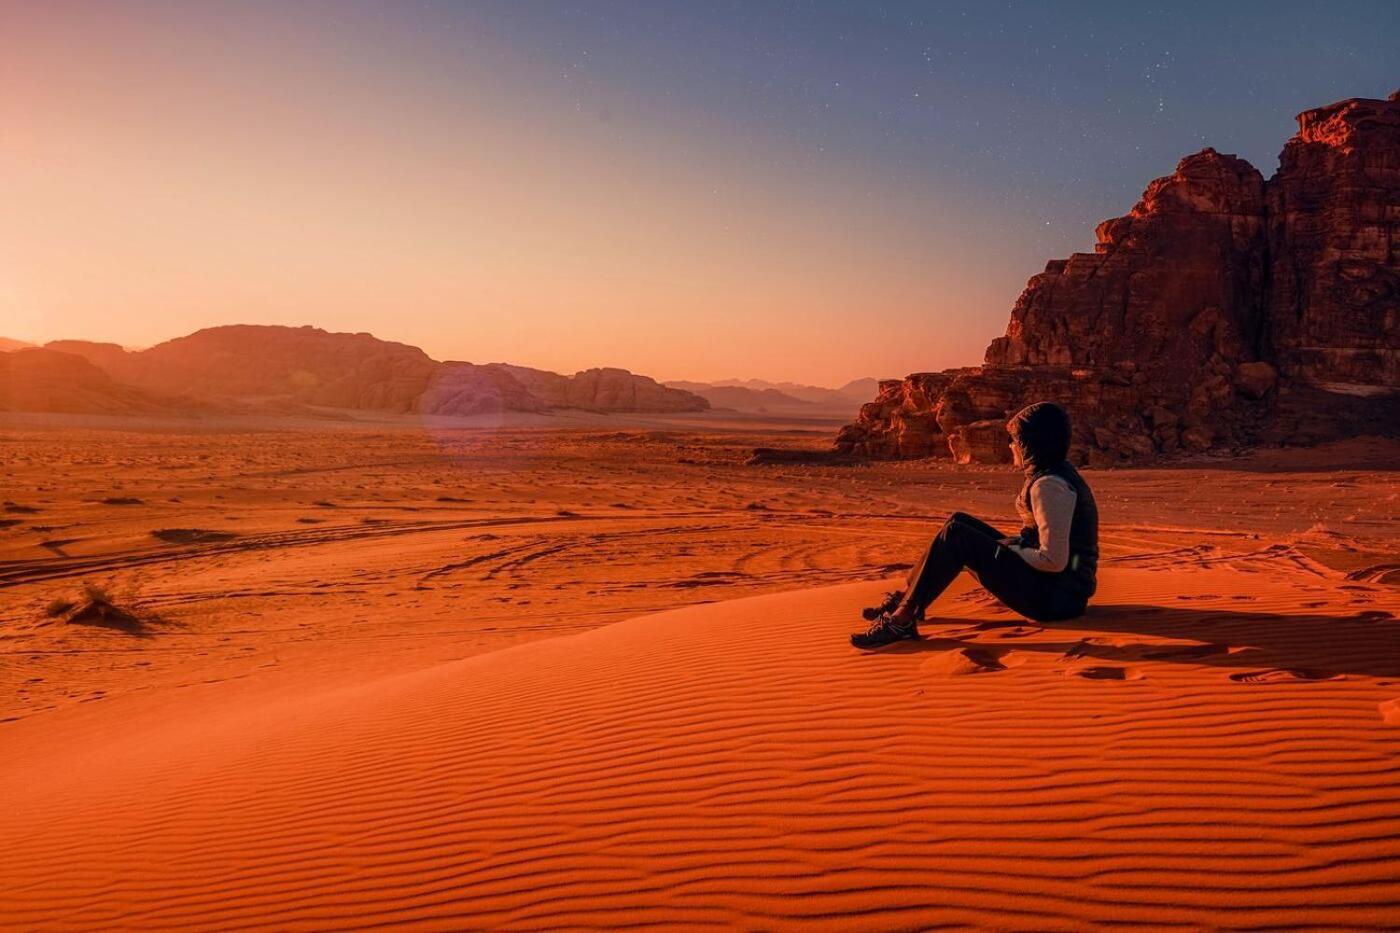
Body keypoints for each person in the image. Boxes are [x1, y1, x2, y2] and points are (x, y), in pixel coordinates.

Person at [850, 401, 1099, 649]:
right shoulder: (1054, 473)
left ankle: (902, 620)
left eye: (1016, 440)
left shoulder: (1049, 485)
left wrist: (1009, 549)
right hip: (1062, 591)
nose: (1011, 446)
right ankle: (908, 597)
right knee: (958, 522)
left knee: (957, 536)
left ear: (1031, 444)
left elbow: (1054, 560)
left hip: (1056, 600)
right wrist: (1009, 545)